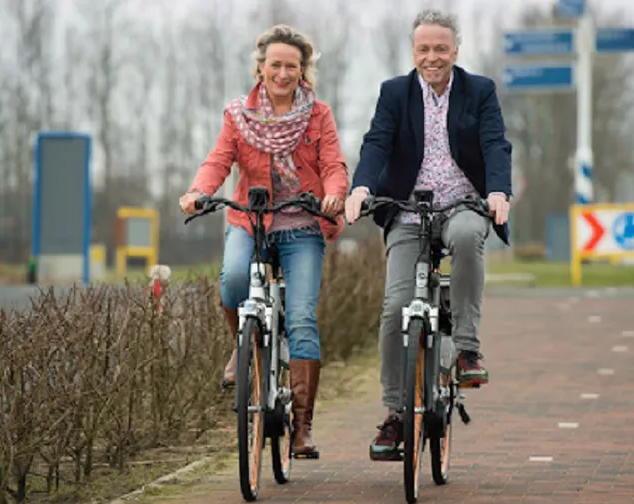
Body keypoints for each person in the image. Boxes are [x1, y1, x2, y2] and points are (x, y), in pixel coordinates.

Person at [343, 9, 513, 461]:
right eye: (424, 49)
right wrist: (361, 187)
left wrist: (498, 191)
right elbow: (377, 143)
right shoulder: (394, 93)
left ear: (456, 51)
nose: (432, 57)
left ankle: (467, 352)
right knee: (396, 305)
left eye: (441, 48)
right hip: (408, 210)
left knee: (463, 236)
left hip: (464, 203)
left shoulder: (479, 91)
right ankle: (396, 412)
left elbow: (496, 143)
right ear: (413, 52)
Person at [179, 24, 349, 459]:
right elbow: (219, 160)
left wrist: (334, 195)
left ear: (303, 70)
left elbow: (333, 163)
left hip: (302, 226)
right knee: (234, 281)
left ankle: (302, 428)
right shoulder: (238, 115)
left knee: (302, 319)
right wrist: (199, 191)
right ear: (261, 68)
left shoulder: (318, 115)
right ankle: (247, 347)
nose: (283, 73)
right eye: (275, 64)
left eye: (292, 66)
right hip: (250, 221)